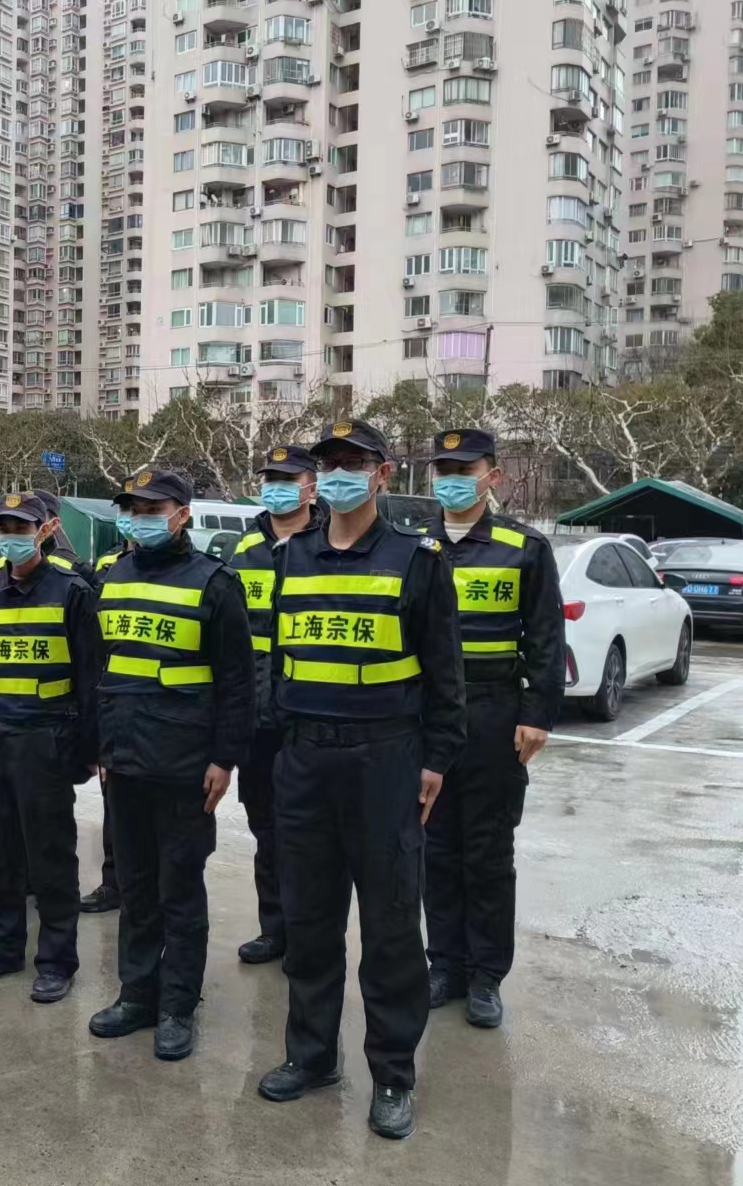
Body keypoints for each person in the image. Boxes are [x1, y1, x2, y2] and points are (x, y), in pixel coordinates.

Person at [257, 419, 465, 1142]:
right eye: (329, 464)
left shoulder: (416, 559)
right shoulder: (292, 557)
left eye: (354, 462)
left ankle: (393, 1075)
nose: (339, 474)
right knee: (309, 922)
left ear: (382, 474)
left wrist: (435, 762)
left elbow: (446, 677)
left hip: (385, 764)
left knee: (390, 929)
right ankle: (311, 1056)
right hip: (305, 764)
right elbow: (279, 660)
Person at [85, 469, 253, 1063]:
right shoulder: (112, 576)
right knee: (135, 887)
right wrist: (102, 749)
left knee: (178, 887)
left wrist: (224, 759)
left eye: (153, 509)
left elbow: (238, 682)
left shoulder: (214, 582)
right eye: (133, 509)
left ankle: (178, 1005)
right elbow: (103, 669)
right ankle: (136, 994)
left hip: (185, 764)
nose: (141, 519)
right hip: (125, 760)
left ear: (182, 515)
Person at [422, 428, 564, 1029]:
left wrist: (537, 713)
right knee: (433, 846)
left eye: (465, 469)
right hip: (428, 716)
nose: (452, 479)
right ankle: (444, 965)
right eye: (443, 469)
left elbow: (546, 636)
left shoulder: (522, 547)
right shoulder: (414, 546)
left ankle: (485, 975)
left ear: (493, 477)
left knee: (486, 849)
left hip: (493, 712)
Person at [0, 492, 101, 1003]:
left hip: (46, 737)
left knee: (50, 855)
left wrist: (89, 752)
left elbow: (91, 680)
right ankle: (2, 947)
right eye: (4, 528)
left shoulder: (71, 590)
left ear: (44, 531)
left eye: (21, 528)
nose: (11, 537)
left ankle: (57, 960)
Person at [227, 445, 325, 964]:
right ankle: (275, 928)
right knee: (266, 829)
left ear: (311, 487)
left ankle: (310, 937)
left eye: (288, 479)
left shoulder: (332, 543)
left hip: (311, 716)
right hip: (259, 718)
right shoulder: (244, 548)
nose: (276, 488)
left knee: (311, 835)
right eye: (270, 479)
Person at [79, 501, 138, 916]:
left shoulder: (197, 573)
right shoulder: (106, 566)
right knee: (114, 806)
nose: (134, 519)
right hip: (112, 700)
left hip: (166, 714)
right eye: (129, 511)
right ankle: (113, 882)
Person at [30, 489, 96, 584]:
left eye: (36, 519)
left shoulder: (77, 568)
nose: (27, 526)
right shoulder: (7, 564)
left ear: (54, 524)